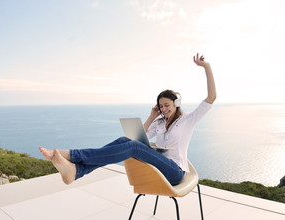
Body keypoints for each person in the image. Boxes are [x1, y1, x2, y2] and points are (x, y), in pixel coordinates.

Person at [39, 53, 216, 185]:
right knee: (126, 140)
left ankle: (73, 157)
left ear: (176, 103)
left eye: (167, 105)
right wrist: (152, 115)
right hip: (159, 164)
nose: (164, 109)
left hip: (175, 171)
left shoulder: (188, 120)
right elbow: (136, 137)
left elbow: (211, 98)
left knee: (132, 146)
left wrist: (206, 66)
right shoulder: (160, 122)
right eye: (161, 106)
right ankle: (77, 171)